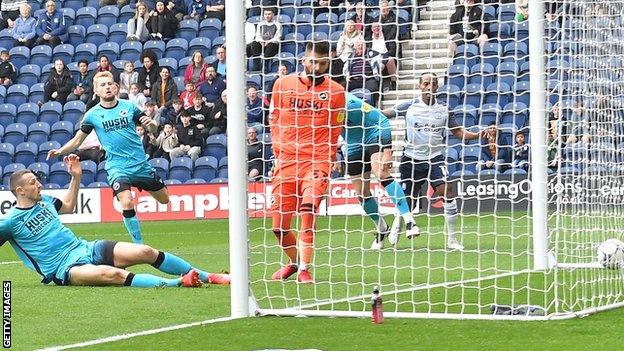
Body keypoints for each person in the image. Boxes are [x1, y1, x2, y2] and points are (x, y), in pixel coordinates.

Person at [0, 163, 230, 287]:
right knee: (113, 275)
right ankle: (177, 283)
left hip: (86, 248)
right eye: (33, 183)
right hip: (64, 269)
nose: (39, 184)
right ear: (20, 191)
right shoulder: (10, 221)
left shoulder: (46, 201)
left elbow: (69, 206)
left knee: (145, 251)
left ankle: (209, 276)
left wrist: (76, 177)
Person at [47, 71, 169, 245]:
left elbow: (153, 129)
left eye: (109, 84)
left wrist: (154, 125)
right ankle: (139, 246)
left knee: (164, 199)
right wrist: (60, 151)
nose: (107, 87)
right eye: (102, 85)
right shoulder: (92, 115)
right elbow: (77, 140)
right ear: (96, 91)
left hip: (140, 165)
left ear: (116, 87)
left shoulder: (130, 107)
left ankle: (143, 187)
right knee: (127, 202)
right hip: (117, 167)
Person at [269, 41, 346, 283]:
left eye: (323, 63)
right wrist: (277, 152)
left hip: (316, 160)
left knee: (308, 209)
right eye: (313, 61)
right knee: (279, 227)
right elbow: (274, 119)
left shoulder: (336, 92)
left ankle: (304, 269)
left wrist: (330, 158)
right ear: (304, 60)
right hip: (287, 160)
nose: (317, 66)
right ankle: (294, 262)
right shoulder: (282, 85)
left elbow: (336, 128)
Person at [383, 73, 484, 250]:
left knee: (447, 191)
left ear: (438, 87)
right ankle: (398, 223)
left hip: (435, 157)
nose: (430, 86)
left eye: (434, 83)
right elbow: (385, 114)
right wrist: (364, 110)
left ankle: (452, 240)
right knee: (409, 201)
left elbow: (458, 133)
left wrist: (477, 135)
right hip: (411, 158)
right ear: (420, 86)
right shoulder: (410, 106)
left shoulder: (444, 109)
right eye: (426, 83)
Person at [343, 93, 419, 250]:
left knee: (381, 173)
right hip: (353, 143)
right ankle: (381, 228)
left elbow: (382, 119)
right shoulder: (319, 109)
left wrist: (387, 151)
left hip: (373, 133)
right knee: (361, 193)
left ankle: (409, 219)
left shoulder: (350, 102)